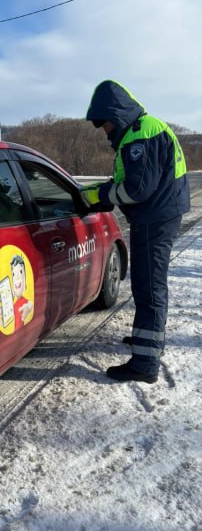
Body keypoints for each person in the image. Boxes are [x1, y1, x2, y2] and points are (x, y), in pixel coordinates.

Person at [81, 80, 191, 384]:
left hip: (154, 219)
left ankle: (145, 363)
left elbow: (137, 189)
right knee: (150, 284)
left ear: (113, 115)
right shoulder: (143, 128)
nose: (104, 133)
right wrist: (102, 190)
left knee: (149, 287)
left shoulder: (140, 135)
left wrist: (101, 196)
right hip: (160, 215)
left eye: (103, 125)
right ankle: (149, 343)